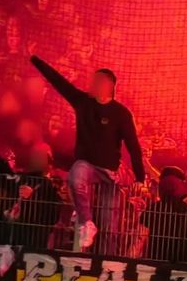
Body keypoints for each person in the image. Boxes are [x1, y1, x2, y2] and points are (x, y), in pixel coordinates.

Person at [30, 56, 144, 252]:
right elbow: (59, 82)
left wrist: (140, 178)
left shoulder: (121, 113)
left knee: (111, 225)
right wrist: (36, 60)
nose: (91, 84)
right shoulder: (82, 102)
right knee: (77, 172)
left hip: (110, 174)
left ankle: (108, 262)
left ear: (109, 86)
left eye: (97, 81)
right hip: (88, 167)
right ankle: (86, 223)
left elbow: (133, 146)